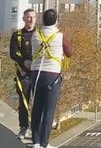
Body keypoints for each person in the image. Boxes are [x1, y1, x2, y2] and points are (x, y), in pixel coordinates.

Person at [30, 9, 73, 148]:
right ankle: (44, 142)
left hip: (36, 74)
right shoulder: (59, 36)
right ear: (56, 20)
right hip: (52, 76)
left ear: (43, 19)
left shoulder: (35, 34)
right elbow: (69, 53)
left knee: (36, 107)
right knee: (48, 110)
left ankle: (35, 141)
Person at [9, 8, 36, 140]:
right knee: (24, 101)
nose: (31, 20)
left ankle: (36, 128)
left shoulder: (40, 35)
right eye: (28, 17)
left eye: (33, 17)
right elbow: (12, 54)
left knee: (38, 101)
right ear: (24, 18)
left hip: (38, 74)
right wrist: (24, 62)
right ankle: (24, 127)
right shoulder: (17, 35)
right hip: (24, 74)